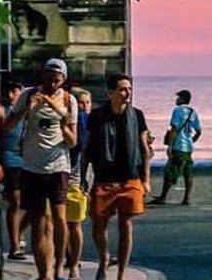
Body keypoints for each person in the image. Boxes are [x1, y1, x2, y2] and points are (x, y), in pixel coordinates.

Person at [4, 58, 78, 280]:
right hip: (32, 166)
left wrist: (63, 126)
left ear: (63, 80)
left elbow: (73, 141)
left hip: (58, 165)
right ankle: (43, 273)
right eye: (48, 79)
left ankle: (58, 269)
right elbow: (7, 127)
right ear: (42, 76)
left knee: (59, 218)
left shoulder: (68, 100)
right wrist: (25, 110)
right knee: (38, 221)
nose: (51, 85)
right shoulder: (28, 95)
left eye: (56, 80)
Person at [84, 73, 152, 280]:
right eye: (122, 89)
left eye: (129, 89)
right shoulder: (97, 116)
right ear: (111, 92)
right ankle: (104, 258)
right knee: (99, 224)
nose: (127, 93)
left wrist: (146, 179)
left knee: (126, 225)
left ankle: (122, 273)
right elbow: (87, 148)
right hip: (104, 177)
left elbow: (144, 148)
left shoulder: (136, 115)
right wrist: (84, 179)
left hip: (130, 177)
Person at [0, 82, 27, 261]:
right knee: (15, 201)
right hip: (9, 158)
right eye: (9, 91)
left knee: (35, 204)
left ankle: (19, 233)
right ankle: (15, 245)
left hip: (27, 157)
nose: (12, 95)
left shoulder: (26, 110)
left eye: (16, 92)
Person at [152, 89, 203, 205]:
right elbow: (199, 131)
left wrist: (170, 146)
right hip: (188, 147)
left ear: (182, 99)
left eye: (178, 97)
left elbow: (174, 129)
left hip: (178, 146)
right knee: (188, 172)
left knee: (170, 171)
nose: (176, 99)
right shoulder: (193, 112)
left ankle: (163, 197)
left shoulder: (177, 110)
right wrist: (191, 140)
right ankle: (186, 198)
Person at [65, 88, 92, 280]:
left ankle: (74, 261)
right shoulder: (73, 122)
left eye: (87, 103)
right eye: (80, 103)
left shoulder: (89, 123)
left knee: (73, 223)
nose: (84, 107)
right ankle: (70, 259)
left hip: (76, 179)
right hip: (63, 175)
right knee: (63, 223)